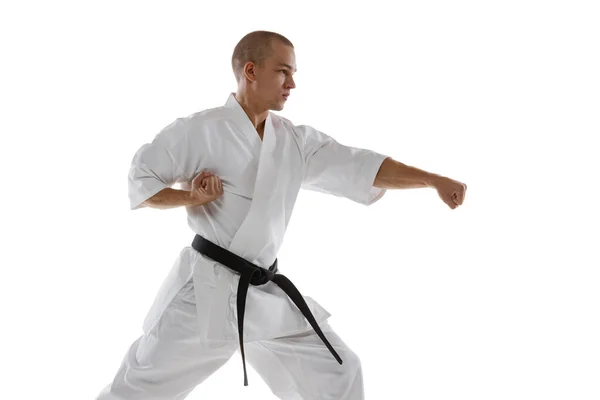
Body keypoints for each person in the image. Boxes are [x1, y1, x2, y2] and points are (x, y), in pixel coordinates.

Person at [96, 30, 466, 400]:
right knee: (138, 388)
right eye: (283, 72)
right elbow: (141, 185)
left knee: (338, 371)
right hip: (205, 293)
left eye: (293, 74)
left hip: (261, 291)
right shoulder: (199, 130)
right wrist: (189, 197)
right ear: (251, 71)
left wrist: (431, 179)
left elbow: (361, 166)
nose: (292, 84)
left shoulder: (294, 141)